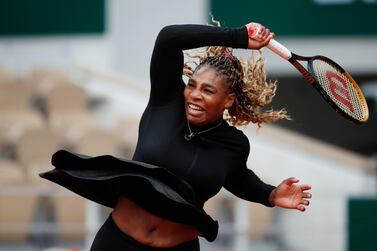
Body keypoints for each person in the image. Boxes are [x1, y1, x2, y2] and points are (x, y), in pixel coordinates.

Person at [40, 20, 312, 251]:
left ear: (228, 100)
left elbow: (238, 178)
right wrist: (236, 37)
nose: (194, 94)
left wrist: (271, 194)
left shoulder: (234, 145)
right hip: (117, 243)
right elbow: (168, 39)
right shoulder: (166, 103)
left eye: (207, 90)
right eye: (192, 85)